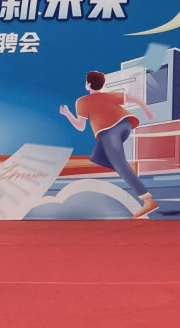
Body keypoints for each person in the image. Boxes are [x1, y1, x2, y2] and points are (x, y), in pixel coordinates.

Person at [59, 71, 159, 219]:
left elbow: (80, 127)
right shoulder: (109, 96)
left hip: (108, 131)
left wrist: (67, 113)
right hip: (125, 125)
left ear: (89, 84)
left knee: (119, 164)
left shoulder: (82, 101)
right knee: (96, 157)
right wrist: (147, 111)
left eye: (86, 81)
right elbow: (136, 99)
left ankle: (148, 201)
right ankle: (127, 170)